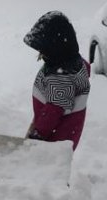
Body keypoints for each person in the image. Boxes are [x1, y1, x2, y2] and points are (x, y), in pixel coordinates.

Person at [23, 11, 90, 150]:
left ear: (56, 49)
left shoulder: (61, 78)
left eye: (44, 50)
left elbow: (52, 113)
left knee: (45, 169)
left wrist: (37, 135)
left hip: (54, 140)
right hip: (65, 132)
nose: (41, 54)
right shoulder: (74, 63)